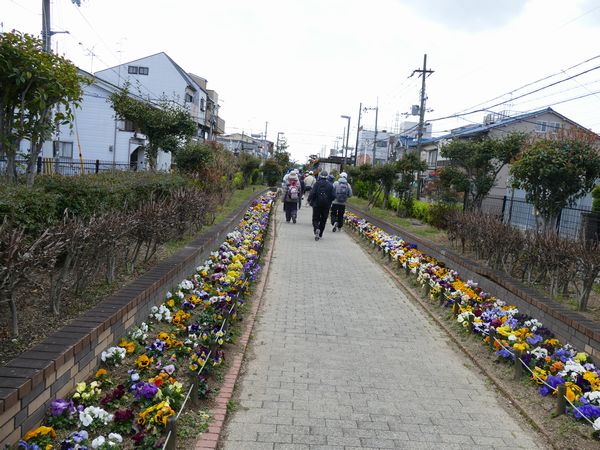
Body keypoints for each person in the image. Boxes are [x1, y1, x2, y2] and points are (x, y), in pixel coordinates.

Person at [307, 170, 335, 241]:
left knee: (315, 218)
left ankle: (316, 229)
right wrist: (329, 200)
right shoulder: (330, 185)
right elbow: (333, 196)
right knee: (323, 219)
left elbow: (312, 193)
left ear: (320, 176)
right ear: (327, 177)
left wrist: (309, 200)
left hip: (316, 204)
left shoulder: (317, 184)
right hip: (326, 205)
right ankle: (320, 233)